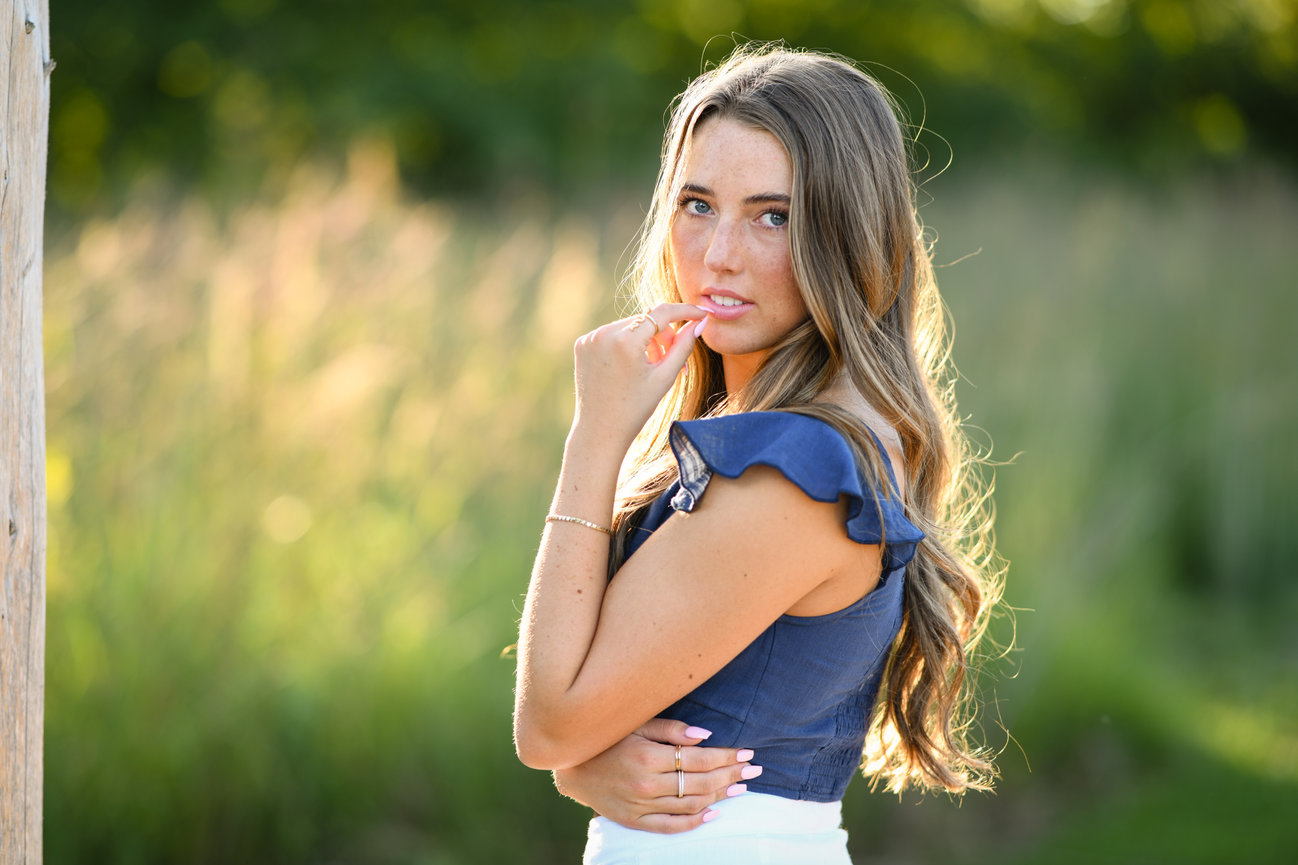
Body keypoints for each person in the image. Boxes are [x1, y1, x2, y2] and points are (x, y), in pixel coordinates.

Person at [513, 43, 1004, 863]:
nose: (718, 255)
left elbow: (550, 721)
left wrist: (594, 435)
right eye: (697, 203)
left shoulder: (794, 468)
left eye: (773, 216)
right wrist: (584, 762)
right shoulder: (778, 436)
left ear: (845, 236)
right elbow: (575, 722)